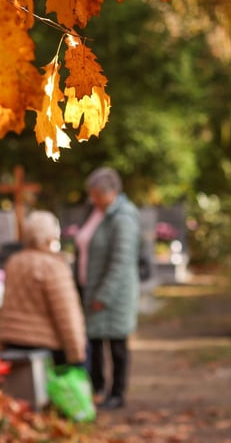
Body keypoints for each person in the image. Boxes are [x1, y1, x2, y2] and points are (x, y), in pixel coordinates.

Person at [75, 167, 140, 411]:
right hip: (91, 289)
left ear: (111, 193)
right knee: (94, 343)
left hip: (114, 295)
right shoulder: (97, 213)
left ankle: (117, 394)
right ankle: (98, 389)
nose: (92, 200)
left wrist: (104, 294)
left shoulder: (123, 218)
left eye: (96, 195)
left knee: (116, 345)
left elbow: (121, 262)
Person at [0, 211, 86, 367]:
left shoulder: (14, 262)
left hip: (12, 341)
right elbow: (66, 312)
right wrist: (76, 353)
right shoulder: (53, 266)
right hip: (46, 346)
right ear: (51, 237)